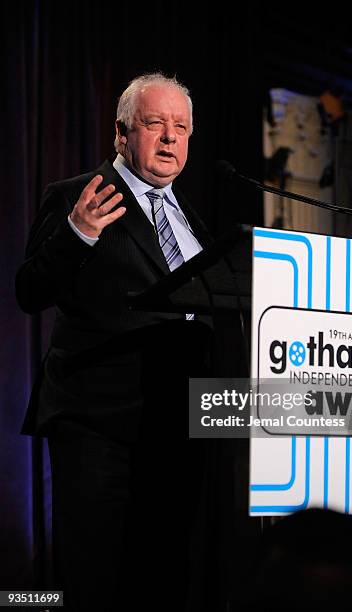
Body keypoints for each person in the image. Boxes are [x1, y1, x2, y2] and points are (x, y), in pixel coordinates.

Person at [16, 73, 213, 611]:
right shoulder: (77, 198)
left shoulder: (195, 221)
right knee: (96, 580)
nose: (170, 138)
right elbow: (30, 291)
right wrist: (77, 234)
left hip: (176, 426)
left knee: (161, 577)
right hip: (98, 424)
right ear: (122, 134)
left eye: (181, 127)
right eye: (156, 124)